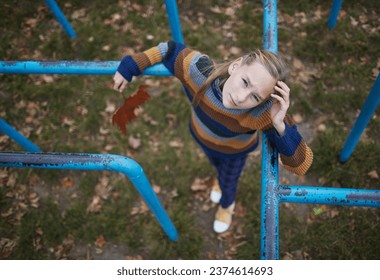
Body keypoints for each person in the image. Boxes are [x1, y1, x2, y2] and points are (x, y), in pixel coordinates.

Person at [112, 41, 313, 233]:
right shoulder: (199, 72)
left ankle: (227, 205)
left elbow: (300, 165)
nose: (241, 97)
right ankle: (219, 179)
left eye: (255, 97)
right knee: (216, 167)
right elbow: (169, 50)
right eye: (245, 82)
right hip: (203, 139)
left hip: (235, 153)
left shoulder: (266, 112)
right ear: (235, 66)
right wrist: (132, 65)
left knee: (228, 182)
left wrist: (280, 125)